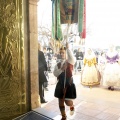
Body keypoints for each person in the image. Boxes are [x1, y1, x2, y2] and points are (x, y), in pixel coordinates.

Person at [53, 43, 76, 120]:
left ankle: (72, 106)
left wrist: (68, 48)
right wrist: (61, 69)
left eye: (63, 52)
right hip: (60, 84)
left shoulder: (70, 61)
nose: (62, 54)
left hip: (68, 84)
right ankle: (63, 116)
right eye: (61, 53)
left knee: (67, 102)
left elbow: (72, 57)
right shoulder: (58, 64)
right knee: (60, 101)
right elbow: (55, 73)